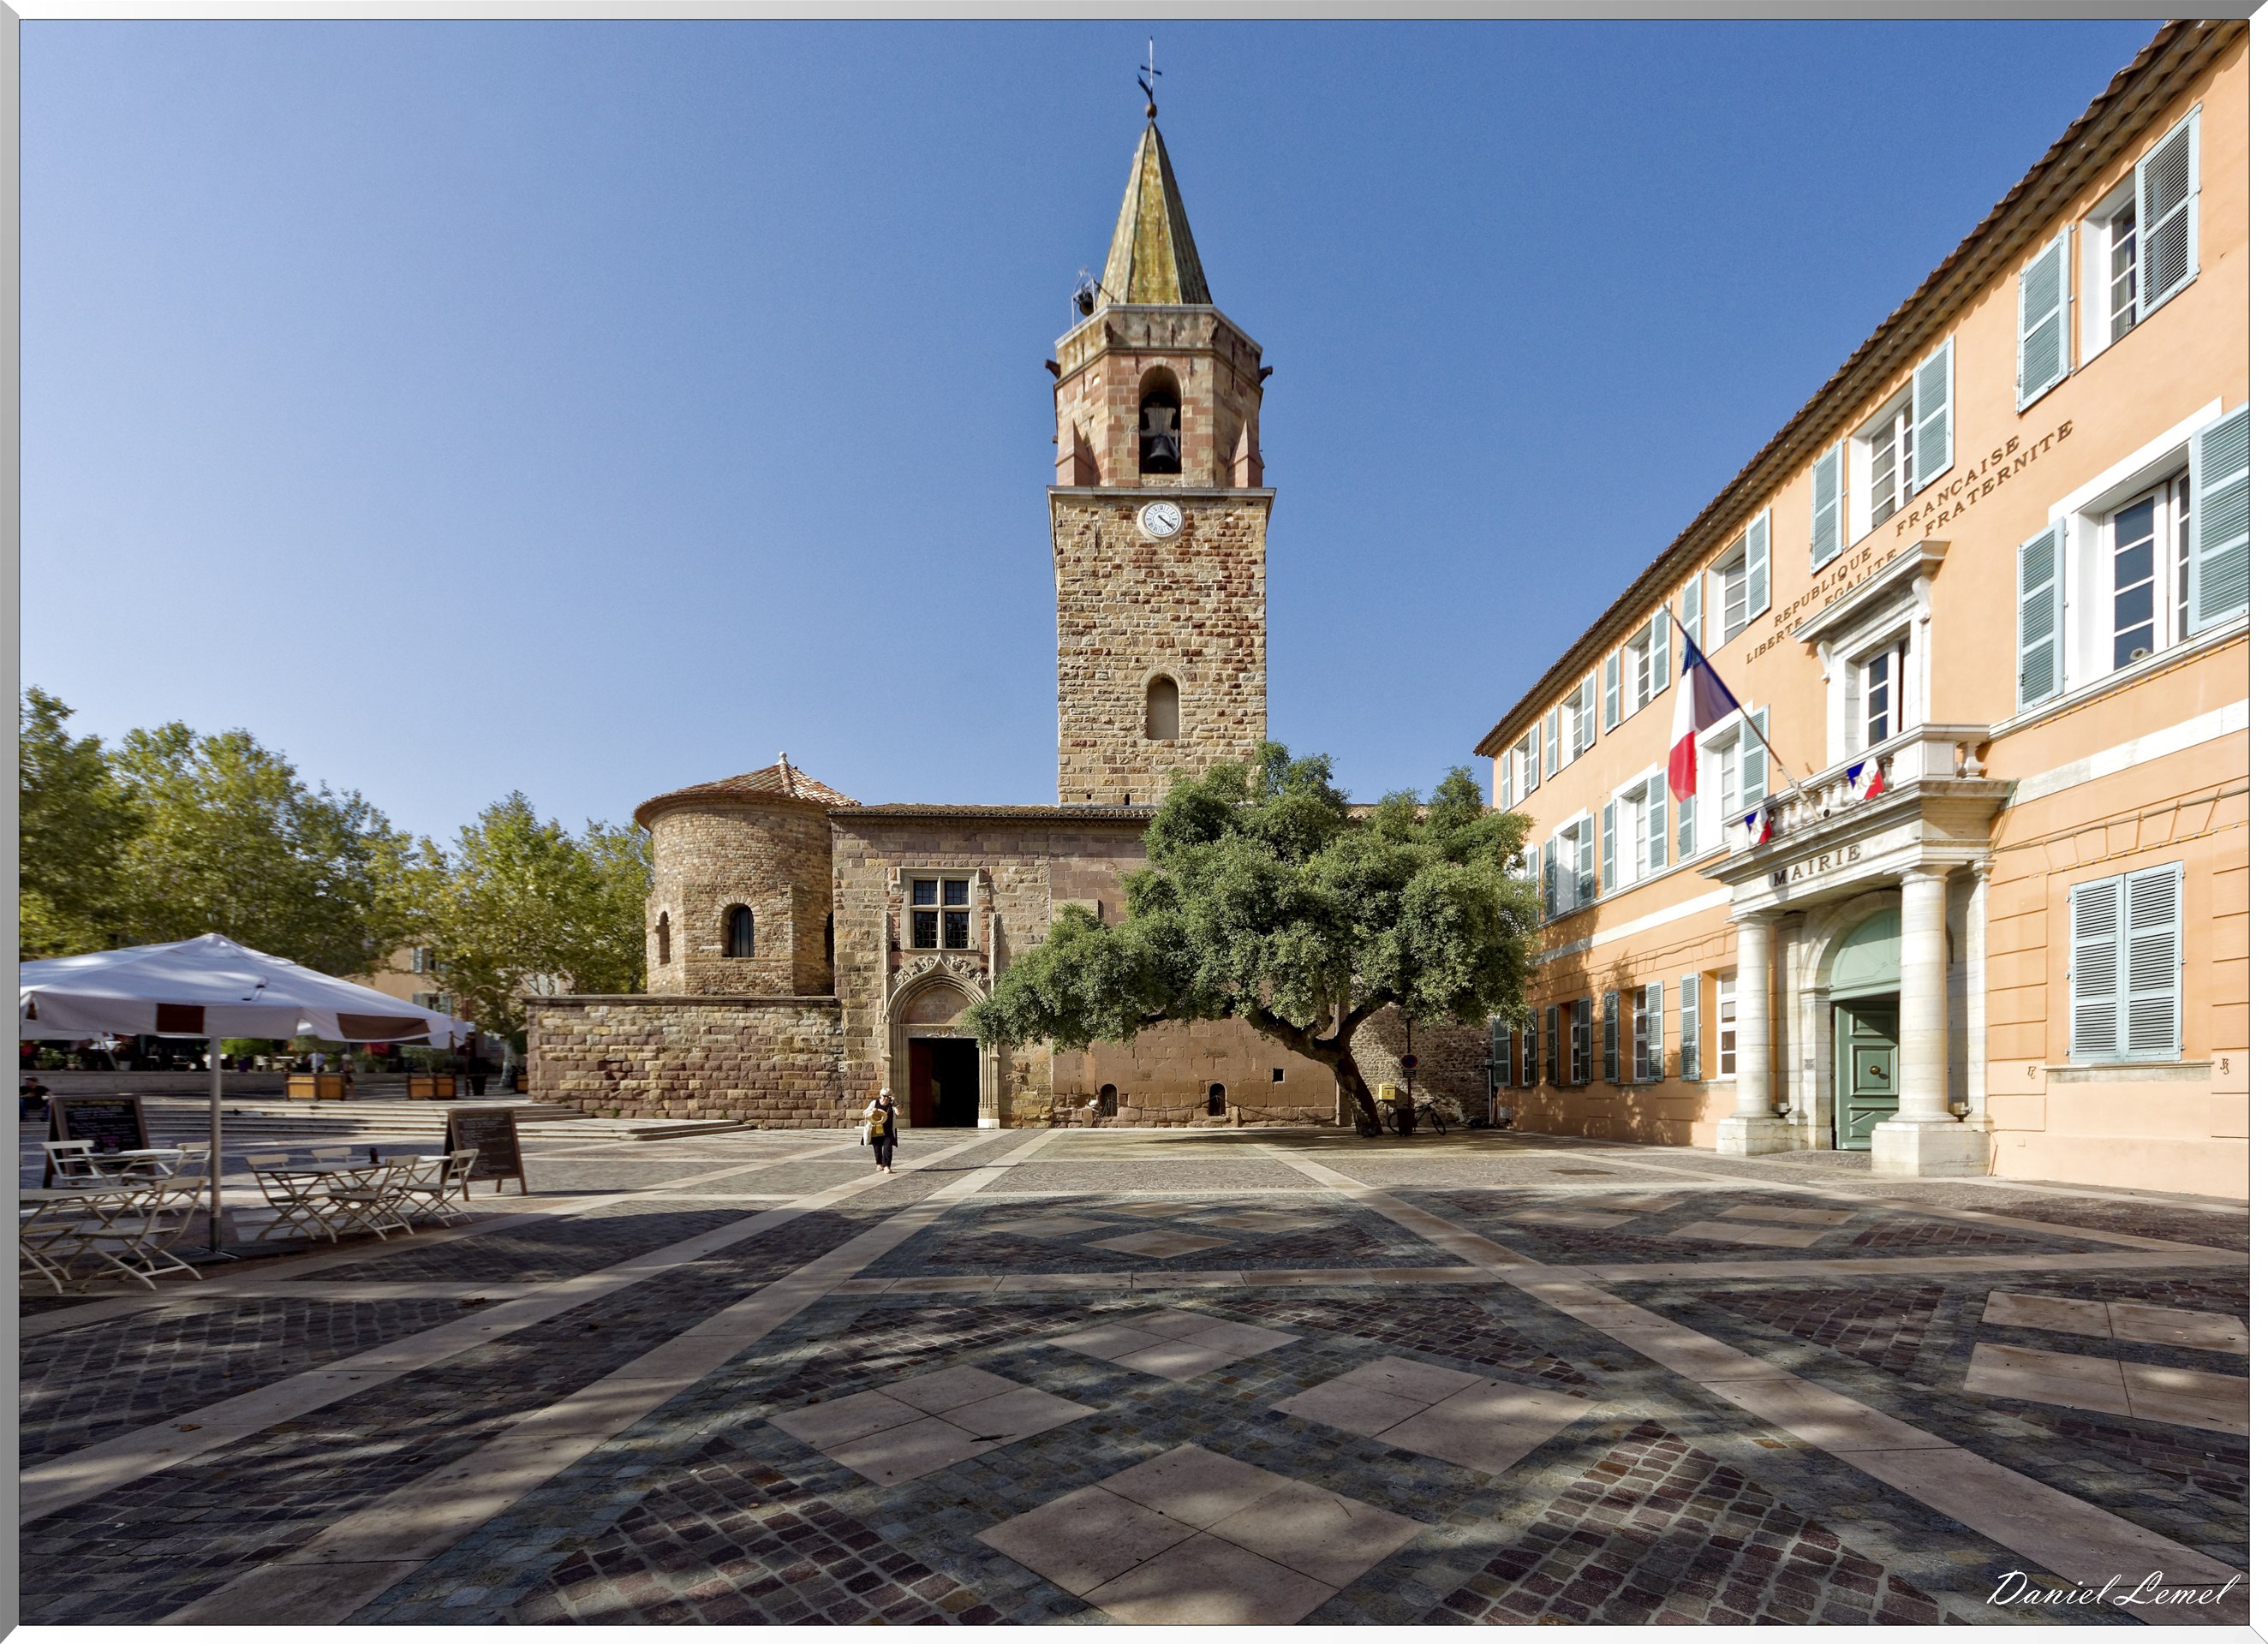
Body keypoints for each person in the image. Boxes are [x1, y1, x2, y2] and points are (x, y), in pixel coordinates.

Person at [863, 1087, 899, 1174]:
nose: (886, 1098)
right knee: (877, 1147)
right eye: (884, 1096)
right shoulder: (874, 1103)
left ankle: (887, 1166)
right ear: (880, 1095)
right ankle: (879, 1164)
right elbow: (865, 1113)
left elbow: (899, 1113)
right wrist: (872, 1111)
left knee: (888, 1147)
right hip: (876, 1129)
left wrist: (895, 1104)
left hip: (888, 1130)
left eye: (889, 1096)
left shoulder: (892, 1104)